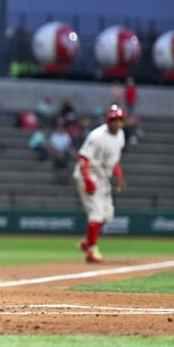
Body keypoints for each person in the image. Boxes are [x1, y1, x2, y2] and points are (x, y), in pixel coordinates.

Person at [73, 104, 127, 263]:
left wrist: (120, 178)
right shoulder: (96, 136)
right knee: (96, 213)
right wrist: (87, 180)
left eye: (119, 120)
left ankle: (87, 241)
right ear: (107, 120)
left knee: (107, 215)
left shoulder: (120, 136)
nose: (116, 123)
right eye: (113, 119)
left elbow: (114, 161)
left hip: (103, 176)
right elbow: (83, 159)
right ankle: (91, 251)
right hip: (88, 173)